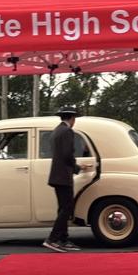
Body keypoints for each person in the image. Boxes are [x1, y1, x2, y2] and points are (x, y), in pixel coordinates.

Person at [43, 106, 87, 253]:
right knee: (67, 208)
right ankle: (53, 238)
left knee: (63, 208)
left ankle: (63, 239)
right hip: (63, 175)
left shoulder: (56, 131)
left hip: (56, 175)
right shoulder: (67, 131)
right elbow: (67, 154)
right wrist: (77, 168)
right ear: (72, 119)